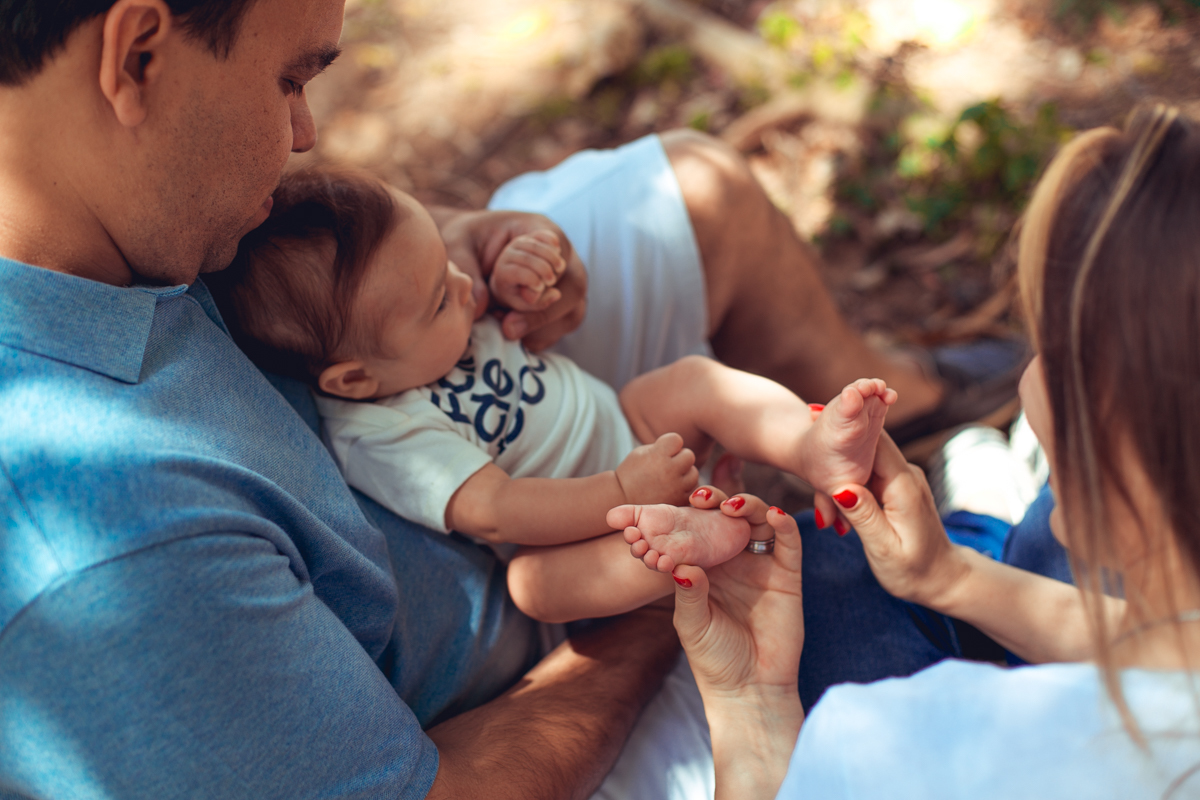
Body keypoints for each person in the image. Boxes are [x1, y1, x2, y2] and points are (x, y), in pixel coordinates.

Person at [0, 1, 1016, 797]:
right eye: (289, 79)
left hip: (455, 388)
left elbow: (308, 249)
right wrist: (653, 610)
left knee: (697, 194)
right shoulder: (101, 555)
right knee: (890, 709)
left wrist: (466, 243)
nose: (307, 130)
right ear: (136, 55)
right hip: (525, 668)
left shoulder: (103, 194)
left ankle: (918, 402)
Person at [627, 105, 1200, 799]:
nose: (1027, 374)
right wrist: (950, 578)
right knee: (1025, 532)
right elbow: (1175, 656)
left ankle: (983, 506)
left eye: (1050, 346)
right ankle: (979, 530)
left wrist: (751, 706)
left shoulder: (907, 744)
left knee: (819, 576)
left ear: (1126, 432)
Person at [209, 167, 896, 623]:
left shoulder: (432, 308)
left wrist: (517, 266)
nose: (462, 286)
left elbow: (485, 278)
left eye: (446, 263)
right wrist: (621, 488)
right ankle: (694, 547)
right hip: (587, 529)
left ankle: (811, 446)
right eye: (437, 299)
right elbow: (499, 511)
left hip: (631, 422)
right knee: (532, 590)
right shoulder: (379, 435)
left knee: (692, 381)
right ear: (355, 377)